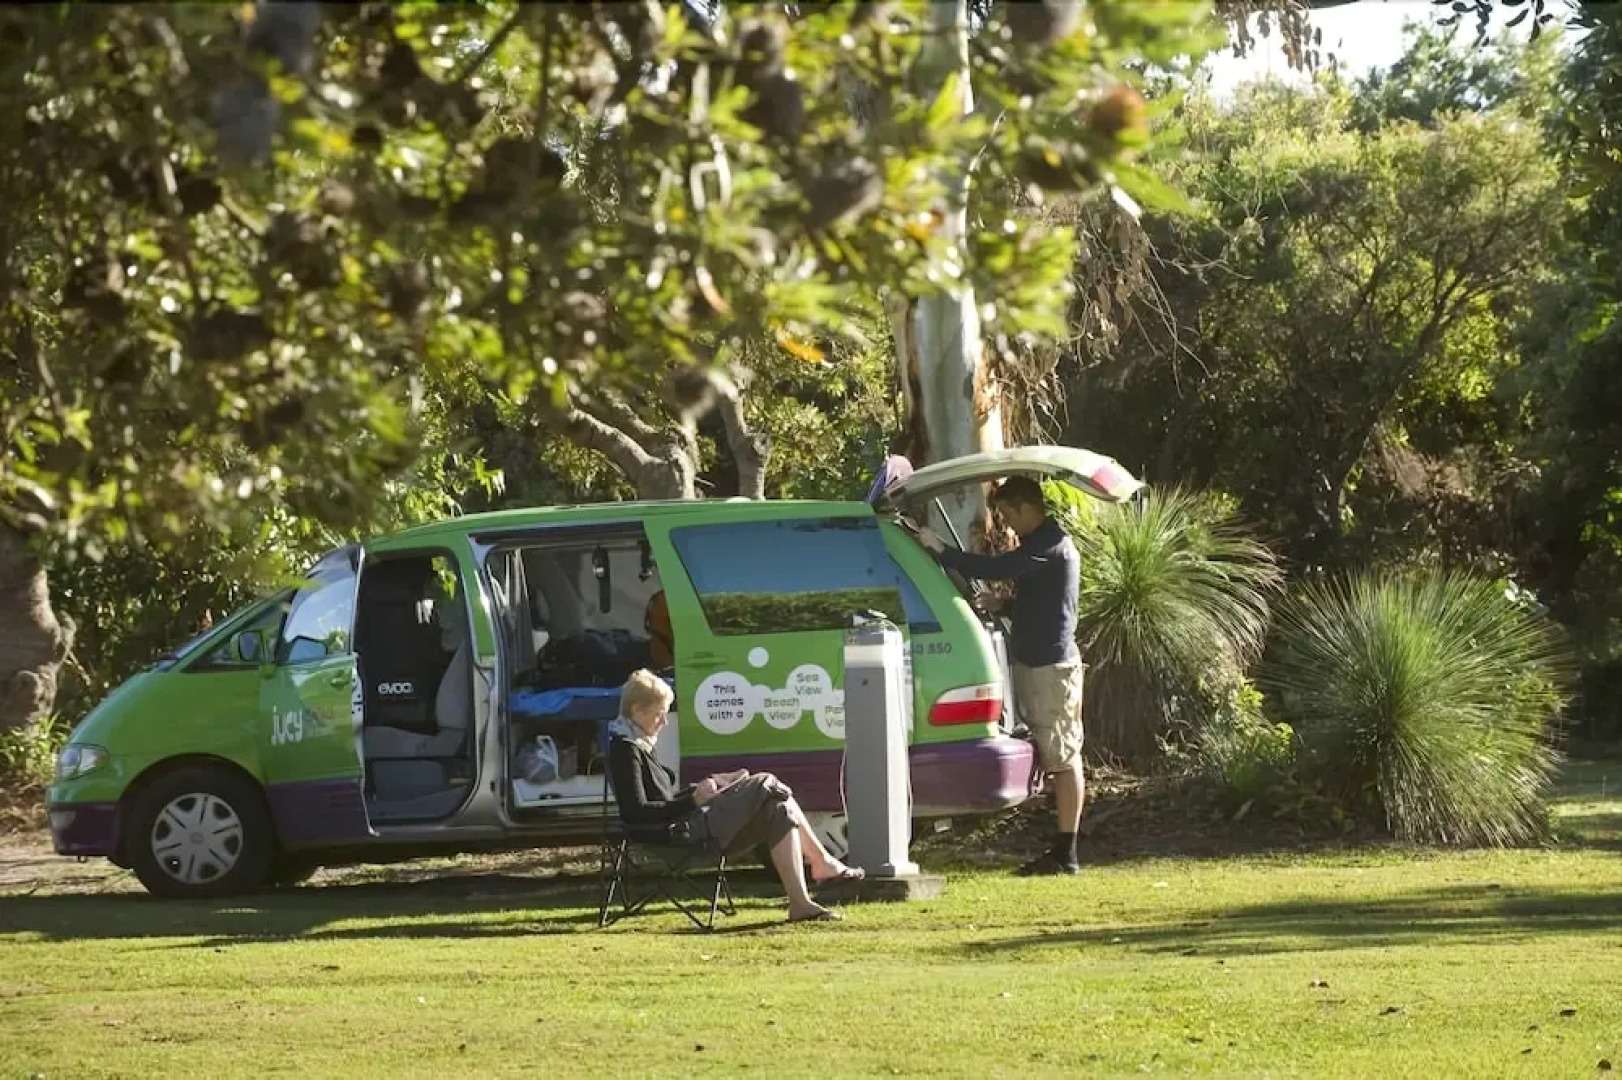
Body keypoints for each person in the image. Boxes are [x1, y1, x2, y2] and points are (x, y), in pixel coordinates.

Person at [917, 476, 1086, 876]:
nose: (1007, 524)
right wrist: (1004, 604)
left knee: (1063, 757)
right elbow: (1043, 600)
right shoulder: (1038, 545)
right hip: (1035, 663)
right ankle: (1061, 848)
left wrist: (943, 551)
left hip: (1051, 667)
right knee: (1053, 752)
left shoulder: (1049, 543)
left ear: (1028, 507)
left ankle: (1067, 853)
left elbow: (999, 567)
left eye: (1010, 514)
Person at [606, 669, 864, 922]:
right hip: (675, 838)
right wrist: (692, 800)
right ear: (637, 710)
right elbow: (636, 812)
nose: (664, 722)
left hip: (687, 827)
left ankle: (800, 903)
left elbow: (663, 800)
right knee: (765, 782)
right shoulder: (625, 751)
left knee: (778, 809)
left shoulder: (639, 745)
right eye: (659, 714)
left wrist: (706, 788)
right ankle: (821, 862)